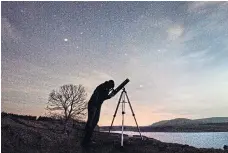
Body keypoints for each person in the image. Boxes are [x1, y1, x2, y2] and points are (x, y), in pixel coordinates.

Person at [81, 80, 115, 146]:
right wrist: (95, 106)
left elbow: (104, 97)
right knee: (91, 121)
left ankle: (88, 137)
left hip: (97, 105)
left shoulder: (106, 88)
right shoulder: (102, 86)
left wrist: (110, 96)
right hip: (93, 104)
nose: (110, 89)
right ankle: (86, 141)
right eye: (111, 87)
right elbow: (97, 96)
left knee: (95, 120)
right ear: (109, 85)